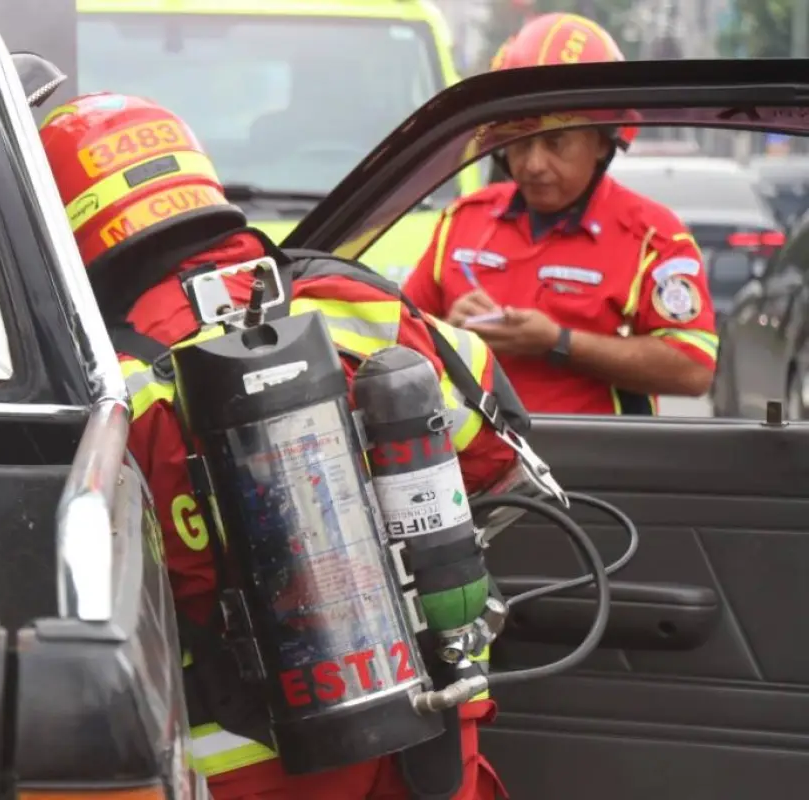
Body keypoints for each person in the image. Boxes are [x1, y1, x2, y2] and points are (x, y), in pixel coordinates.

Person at [40, 92, 524, 799]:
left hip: (248, 758)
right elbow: (497, 454)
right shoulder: (352, 298)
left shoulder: (110, 383)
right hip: (430, 725)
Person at [404, 12, 718, 416]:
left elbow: (694, 369)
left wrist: (559, 343)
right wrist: (446, 330)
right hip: (471, 468)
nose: (533, 164)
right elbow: (397, 333)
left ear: (603, 145)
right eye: (520, 141)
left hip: (597, 471)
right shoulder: (462, 222)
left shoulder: (653, 238)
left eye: (555, 142)